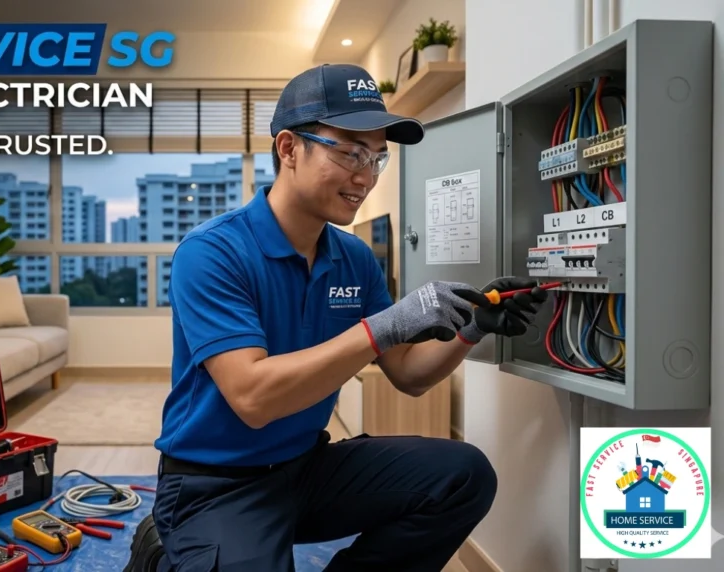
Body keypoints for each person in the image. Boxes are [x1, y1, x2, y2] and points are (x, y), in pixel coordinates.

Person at [123, 63, 548, 572]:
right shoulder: (212, 252)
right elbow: (253, 399)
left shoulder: (354, 257)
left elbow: (409, 375)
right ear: (287, 149)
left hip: (306, 469)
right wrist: (386, 324)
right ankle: (169, 545)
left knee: (463, 474)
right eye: (349, 152)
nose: (365, 176)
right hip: (215, 482)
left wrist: (472, 329)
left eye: (376, 159)